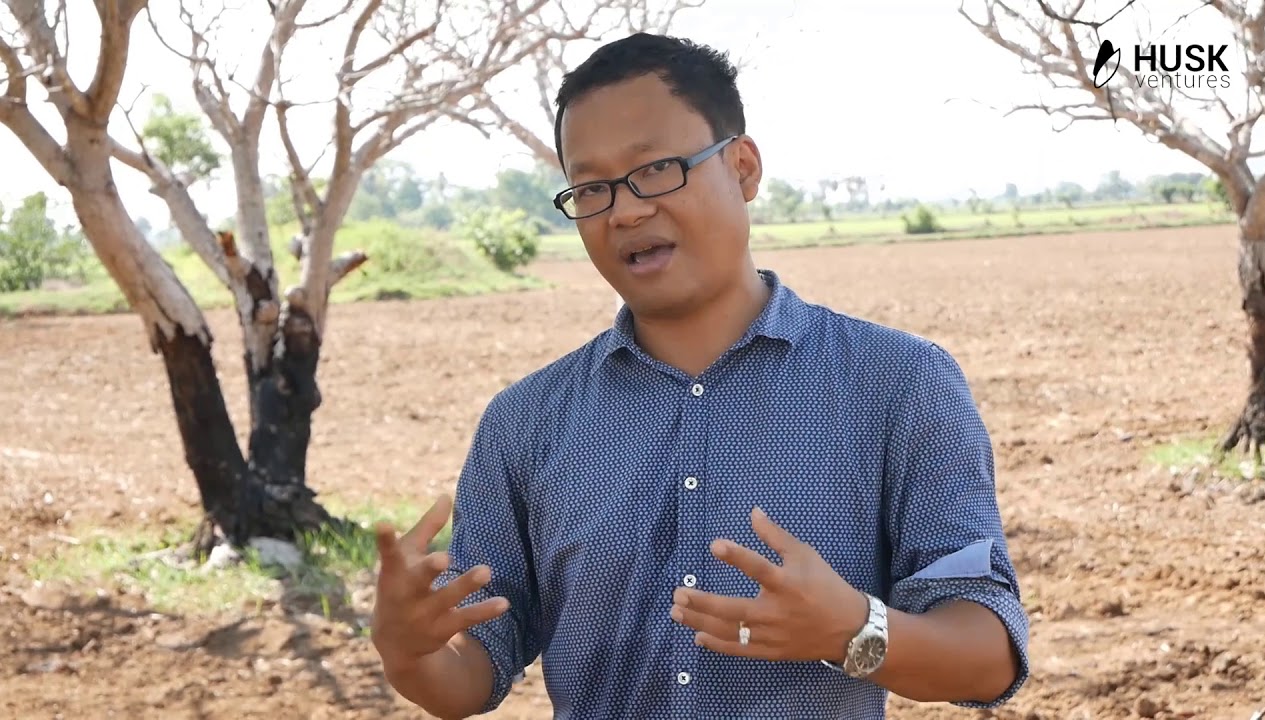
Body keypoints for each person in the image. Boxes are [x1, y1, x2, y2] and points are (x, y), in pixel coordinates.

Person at [371, 32, 1031, 719]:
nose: (624, 210)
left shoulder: (898, 385)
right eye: (591, 187)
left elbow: (988, 656)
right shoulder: (524, 423)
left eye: (655, 169)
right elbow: (472, 673)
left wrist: (853, 628)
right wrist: (409, 653)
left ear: (743, 168)